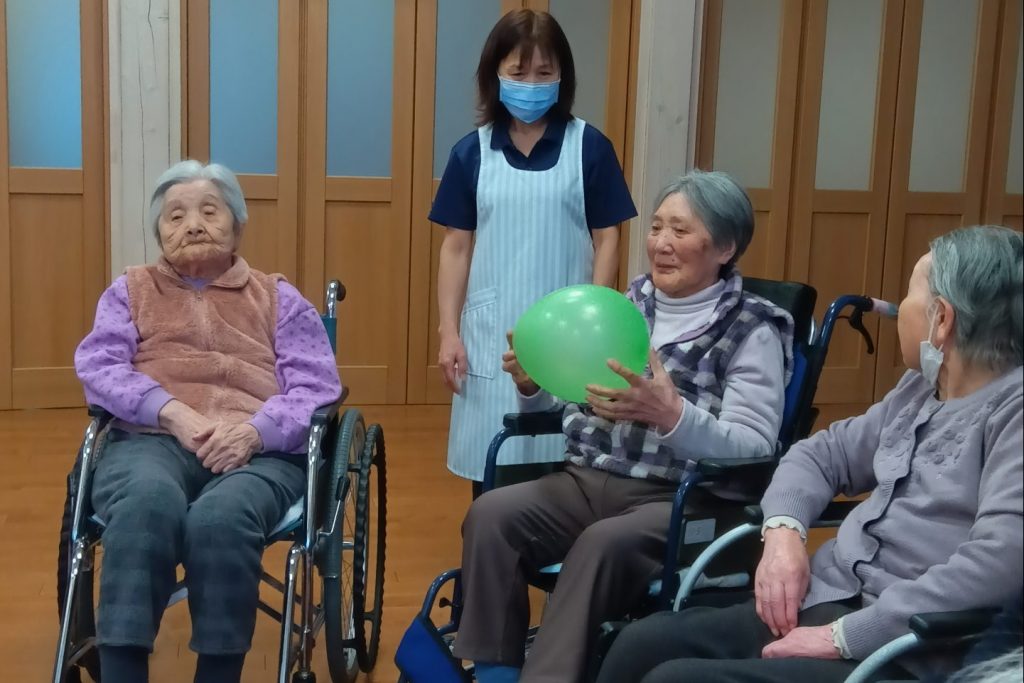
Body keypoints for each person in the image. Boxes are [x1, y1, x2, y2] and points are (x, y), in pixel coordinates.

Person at [596, 225, 1024, 683]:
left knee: (677, 680)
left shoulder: (1012, 413)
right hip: (824, 601)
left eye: (909, 296)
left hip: (906, 650)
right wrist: (784, 532)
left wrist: (844, 636)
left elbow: (1000, 561)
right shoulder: (919, 389)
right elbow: (820, 455)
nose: (898, 309)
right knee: (640, 643)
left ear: (942, 321)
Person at [454, 170, 796, 683]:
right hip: (585, 480)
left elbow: (753, 446)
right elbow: (572, 397)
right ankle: (495, 672)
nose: (661, 243)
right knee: (493, 514)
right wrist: (532, 386)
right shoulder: (624, 307)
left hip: (678, 499)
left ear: (725, 247)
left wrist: (671, 416)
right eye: (656, 227)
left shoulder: (752, 329)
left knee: (600, 545)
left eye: (680, 230)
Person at [73, 160, 342, 683]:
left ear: (237, 226)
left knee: (221, 520)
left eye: (209, 212)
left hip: (259, 451)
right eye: (175, 216)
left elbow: (316, 387)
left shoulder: (278, 298)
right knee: (146, 504)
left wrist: (254, 432)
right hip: (150, 440)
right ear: (159, 233)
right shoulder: (130, 290)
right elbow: (99, 366)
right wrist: (169, 410)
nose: (192, 225)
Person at [430, 9, 637, 495]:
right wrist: (448, 331)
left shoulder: (589, 147)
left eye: (545, 73)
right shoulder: (471, 152)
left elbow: (608, 237)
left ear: (563, 78)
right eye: (518, 72)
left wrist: (595, 316)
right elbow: (456, 247)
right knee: (494, 470)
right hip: (491, 331)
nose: (531, 85)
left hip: (570, 332)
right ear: (494, 74)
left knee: (564, 467)